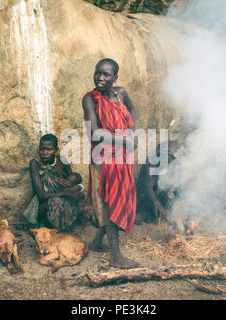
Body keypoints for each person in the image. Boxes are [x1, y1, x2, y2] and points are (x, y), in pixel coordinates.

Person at [82, 58, 138, 269]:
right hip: (102, 158)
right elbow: (96, 132)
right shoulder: (90, 100)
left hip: (122, 158)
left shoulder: (121, 93)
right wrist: (125, 139)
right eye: (98, 73)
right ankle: (116, 256)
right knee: (107, 202)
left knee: (115, 200)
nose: (100, 78)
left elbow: (132, 110)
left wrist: (132, 132)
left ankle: (97, 242)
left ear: (115, 77)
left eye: (106, 75)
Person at [24, 134, 85, 231]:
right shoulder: (35, 164)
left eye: (49, 149)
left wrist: (78, 188)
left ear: (56, 150)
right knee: (56, 201)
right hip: (44, 204)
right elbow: (41, 195)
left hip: (62, 198)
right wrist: (66, 193)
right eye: (42, 149)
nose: (45, 153)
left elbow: (73, 180)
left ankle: (66, 226)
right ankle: (50, 227)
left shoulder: (62, 160)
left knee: (79, 196)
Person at [136, 141, 177, 224]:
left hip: (157, 193)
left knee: (168, 195)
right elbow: (147, 187)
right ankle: (143, 213)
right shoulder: (150, 163)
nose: (168, 163)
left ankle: (158, 215)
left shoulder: (172, 164)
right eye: (166, 159)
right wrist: (157, 203)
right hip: (145, 196)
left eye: (170, 159)